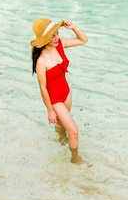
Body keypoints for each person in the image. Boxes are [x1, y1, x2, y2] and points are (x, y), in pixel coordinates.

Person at [31, 17, 88, 164]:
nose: (56, 38)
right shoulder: (41, 61)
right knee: (74, 131)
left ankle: (60, 136)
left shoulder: (60, 43)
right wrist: (50, 110)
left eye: (56, 33)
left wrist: (74, 27)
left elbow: (83, 40)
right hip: (55, 99)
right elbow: (43, 88)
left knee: (62, 123)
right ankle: (75, 158)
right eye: (52, 36)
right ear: (44, 40)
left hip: (66, 93)